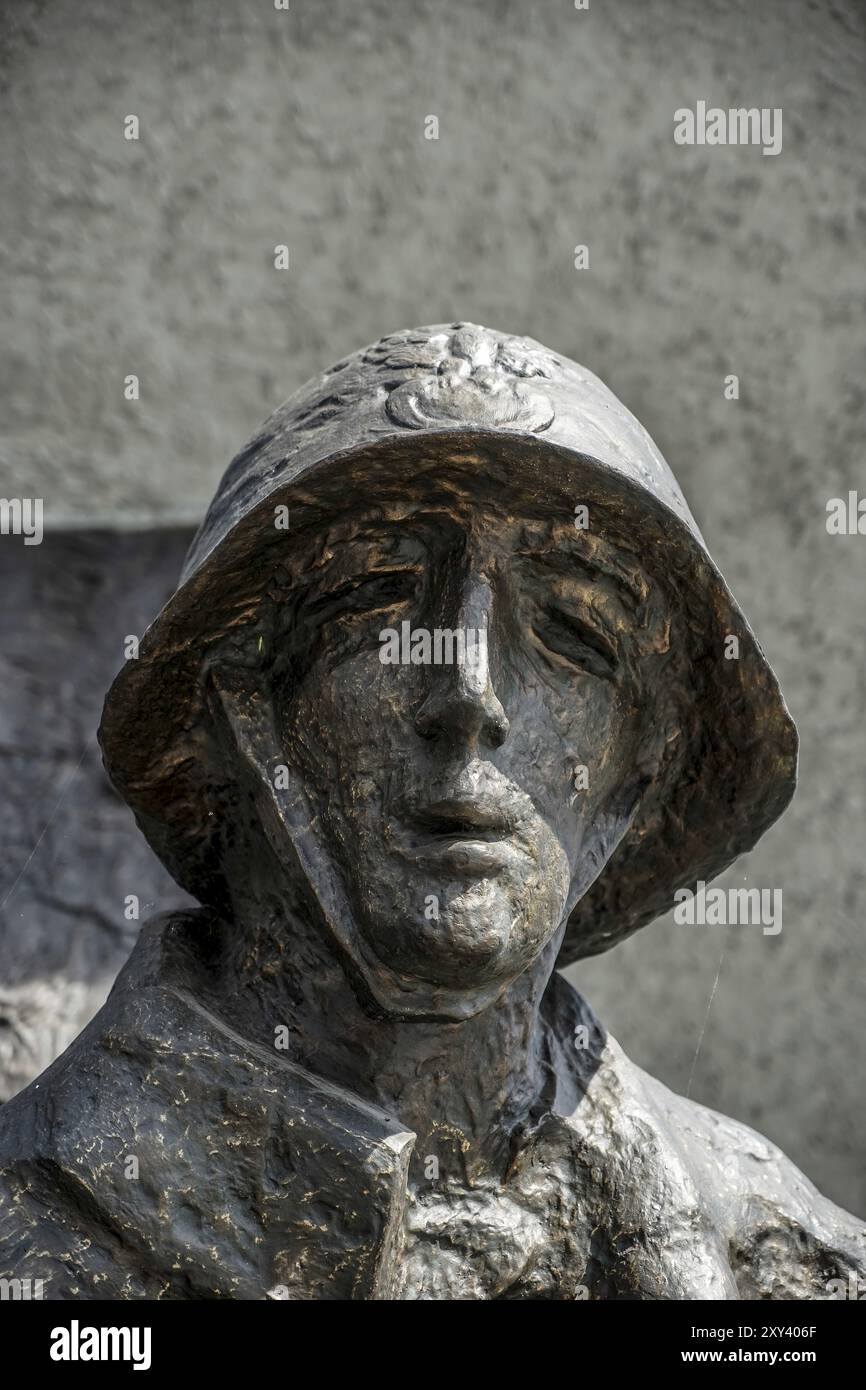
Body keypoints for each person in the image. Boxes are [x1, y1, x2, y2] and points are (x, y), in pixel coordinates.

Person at [1, 323, 862, 1300]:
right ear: (243, 710)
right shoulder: (29, 1237)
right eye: (370, 600)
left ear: (639, 768)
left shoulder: (784, 1269)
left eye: (574, 629)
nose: (467, 691)